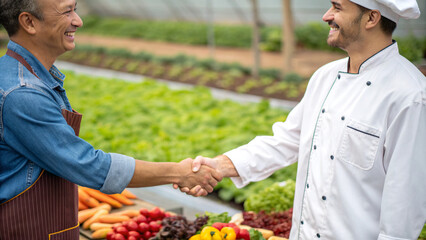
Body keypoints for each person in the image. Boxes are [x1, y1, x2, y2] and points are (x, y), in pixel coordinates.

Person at [178, 0, 426, 239]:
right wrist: (221, 166)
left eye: (337, 7)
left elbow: (405, 198)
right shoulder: (325, 77)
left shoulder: (409, 95)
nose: (326, 16)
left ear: (372, 17)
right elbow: (287, 140)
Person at [0, 0, 221, 239]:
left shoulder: (18, 74)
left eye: (76, 9)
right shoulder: (23, 94)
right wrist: (178, 172)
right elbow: (87, 166)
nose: (78, 21)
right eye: (67, 11)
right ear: (29, 22)